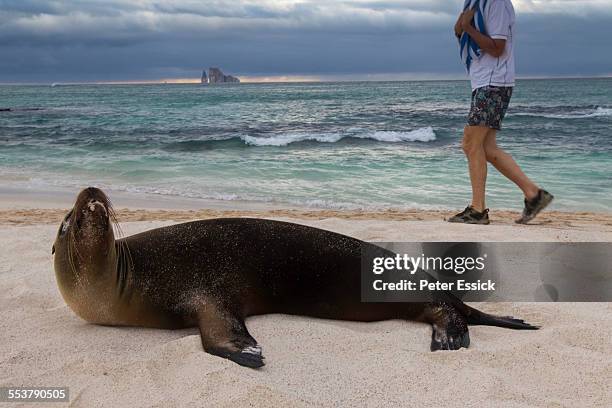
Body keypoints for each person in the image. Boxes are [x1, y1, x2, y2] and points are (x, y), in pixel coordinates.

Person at [449, 0, 553, 225]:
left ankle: (477, 210)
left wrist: (467, 27)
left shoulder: (496, 3)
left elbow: (498, 48)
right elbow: (461, 33)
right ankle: (534, 195)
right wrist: (461, 27)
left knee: (470, 143)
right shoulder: (473, 2)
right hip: (482, 81)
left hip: (494, 82)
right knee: (487, 148)